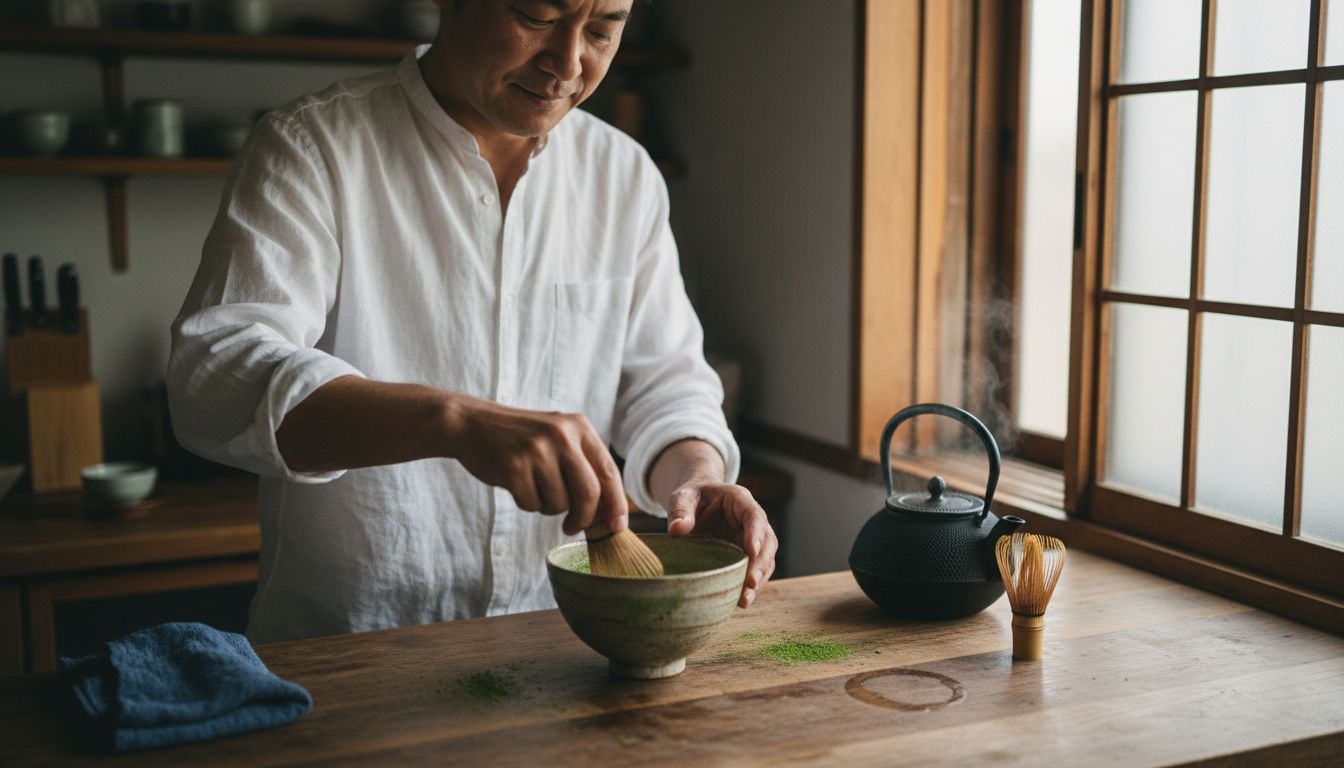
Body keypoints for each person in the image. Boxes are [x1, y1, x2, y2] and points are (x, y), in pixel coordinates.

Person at [167, 0, 777, 644]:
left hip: (554, 651)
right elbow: (213, 380)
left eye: (602, 29)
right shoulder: (315, 145)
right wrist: (454, 422)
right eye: (537, 17)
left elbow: (665, 382)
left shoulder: (623, 177)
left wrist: (700, 479)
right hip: (349, 658)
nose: (568, 64)